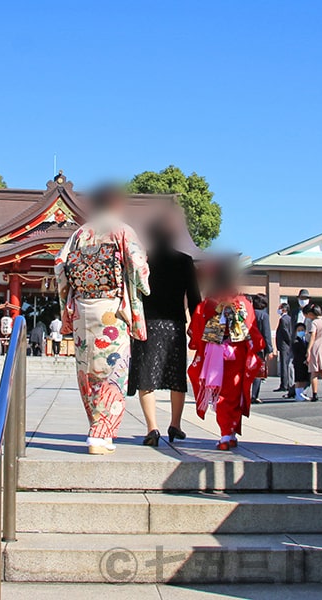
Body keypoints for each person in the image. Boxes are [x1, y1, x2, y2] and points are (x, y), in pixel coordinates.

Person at [55, 185, 150, 455]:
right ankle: (99, 433)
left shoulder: (79, 233)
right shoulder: (122, 230)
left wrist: (72, 299)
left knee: (88, 371)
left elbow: (60, 266)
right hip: (112, 310)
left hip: (83, 309)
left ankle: (100, 431)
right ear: (117, 204)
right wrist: (140, 281)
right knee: (113, 371)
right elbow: (139, 267)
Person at [129, 218, 201, 447]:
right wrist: (195, 325)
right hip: (174, 324)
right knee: (176, 377)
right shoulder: (185, 261)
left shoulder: (144, 260)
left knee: (146, 377)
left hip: (147, 324)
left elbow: (134, 293)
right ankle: (175, 425)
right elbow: (194, 297)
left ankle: (152, 428)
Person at [188, 262, 264, 451]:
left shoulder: (208, 304)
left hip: (214, 354)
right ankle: (229, 433)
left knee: (220, 393)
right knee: (235, 392)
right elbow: (252, 329)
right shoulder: (244, 303)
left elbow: (196, 330)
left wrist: (197, 343)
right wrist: (257, 348)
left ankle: (225, 434)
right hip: (237, 354)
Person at [305, 303, 322, 402]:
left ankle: (315, 394)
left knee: (314, 373)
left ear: (311, 314)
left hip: (316, 348)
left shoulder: (314, 323)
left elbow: (312, 337)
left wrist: (308, 349)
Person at [249, 294, 274, 405]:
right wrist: (270, 349)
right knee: (257, 373)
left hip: (247, 346)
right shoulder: (263, 316)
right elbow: (266, 334)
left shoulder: (248, 314)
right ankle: (254, 396)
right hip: (258, 347)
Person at [274, 302, 295, 397]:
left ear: (283, 309)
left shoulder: (283, 319)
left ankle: (284, 384)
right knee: (285, 364)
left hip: (284, 345)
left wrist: (289, 341)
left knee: (284, 365)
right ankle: (285, 383)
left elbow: (285, 332)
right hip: (286, 345)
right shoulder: (289, 319)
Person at [292, 322, 311, 401]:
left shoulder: (305, 341)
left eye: (302, 330)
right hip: (298, 362)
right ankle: (298, 394)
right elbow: (296, 353)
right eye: (299, 330)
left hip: (305, 362)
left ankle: (301, 393)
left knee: (304, 379)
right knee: (298, 380)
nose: (301, 331)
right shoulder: (295, 341)